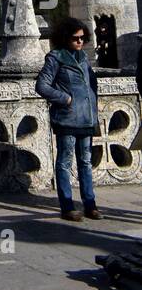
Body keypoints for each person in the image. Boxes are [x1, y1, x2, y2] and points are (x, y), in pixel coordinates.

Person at [35, 17, 102, 222]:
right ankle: (67, 206)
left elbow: (92, 84)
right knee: (65, 161)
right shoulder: (55, 58)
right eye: (76, 38)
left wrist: (92, 106)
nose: (80, 42)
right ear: (66, 38)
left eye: (83, 38)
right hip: (67, 118)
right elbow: (42, 86)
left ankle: (90, 204)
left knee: (86, 161)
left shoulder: (83, 58)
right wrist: (66, 99)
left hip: (86, 118)